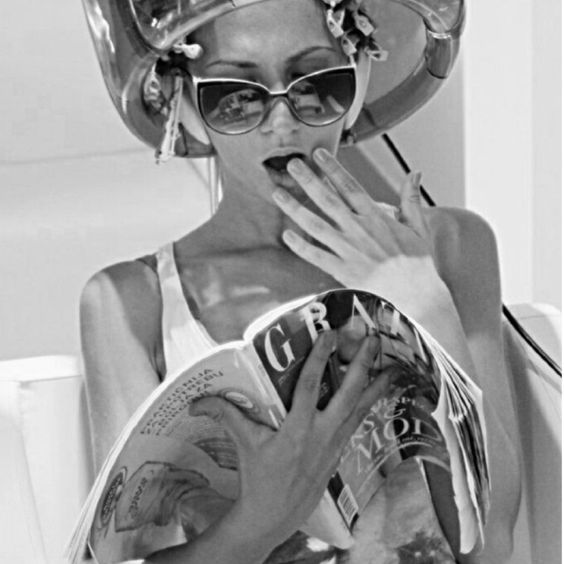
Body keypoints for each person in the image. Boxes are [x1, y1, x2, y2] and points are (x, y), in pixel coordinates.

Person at [80, 0, 521, 562]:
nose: (282, 123)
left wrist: (423, 299)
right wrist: (262, 518)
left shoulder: (453, 245)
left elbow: (493, 543)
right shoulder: (127, 302)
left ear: (358, 80)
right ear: (187, 105)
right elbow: (121, 553)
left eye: (316, 85)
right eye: (236, 97)